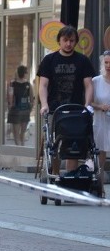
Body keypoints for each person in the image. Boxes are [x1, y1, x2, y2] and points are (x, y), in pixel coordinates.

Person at [37, 25, 94, 173]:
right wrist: (44, 104)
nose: (68, 44)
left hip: (76, 109)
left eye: (72, 40)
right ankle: (55, 175)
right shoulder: (49, 60)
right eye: (65, 40)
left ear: (76, 42)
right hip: (54, 109)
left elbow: (88, 85)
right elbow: (43, 85)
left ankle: (70, 177)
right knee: (54, 145)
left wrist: (87, 105)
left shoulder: (83, 61)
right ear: (59, 41)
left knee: (73, 143)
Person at [90, 49, 110, 181]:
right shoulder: (96, 81)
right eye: (106, 62)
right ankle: (99, 187)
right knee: (100, 156)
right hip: (100, 122)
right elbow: (89, 102)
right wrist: (100, 106)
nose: (109, 65)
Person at [7, 64, 33, 145]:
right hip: (25, 110)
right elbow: (32, 99)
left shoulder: (12, 84)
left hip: (15, 110)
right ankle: (23, 149)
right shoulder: (28, 84)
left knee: (16, 135)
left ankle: (18, 152)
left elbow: (9, 98)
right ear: (24, 73)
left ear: (17, 73)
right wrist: (29, 109)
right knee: (22, 133)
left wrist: (9, 107)